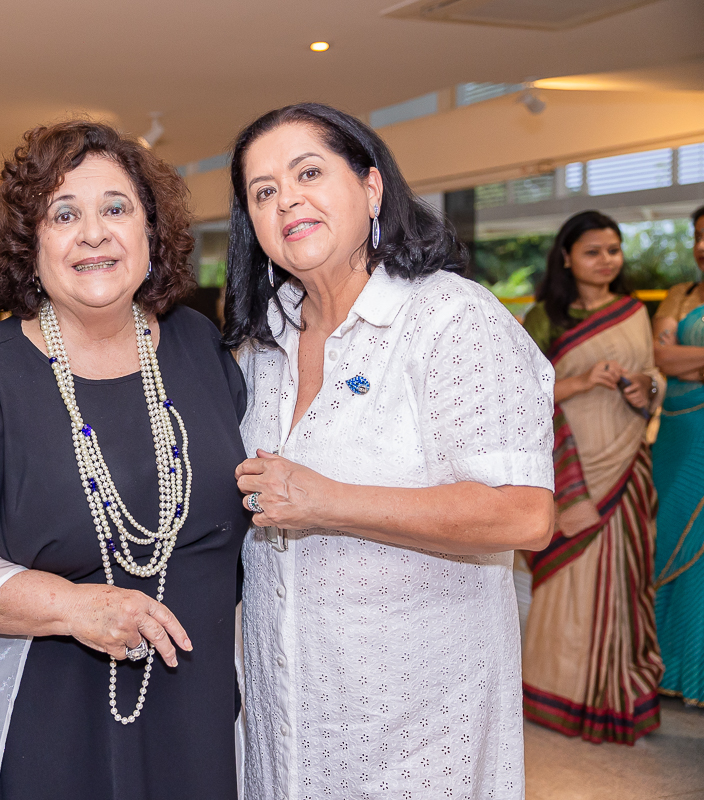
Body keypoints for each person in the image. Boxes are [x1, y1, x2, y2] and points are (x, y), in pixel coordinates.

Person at [0, 121, 249, 800]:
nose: (94, 233)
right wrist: (72, 606)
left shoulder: (201, 348)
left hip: (198, 717)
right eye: (64, 214)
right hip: (48, 723)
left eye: (116, 208)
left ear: (150, 229)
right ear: (30, 245)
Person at [223, 102, 555, 799]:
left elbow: (523, 515)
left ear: (372, 187)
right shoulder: (264, 343)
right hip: (286, 712)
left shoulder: (450, 319)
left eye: (308, 172)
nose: (287, 200)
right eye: (263, 191)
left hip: (416, 718)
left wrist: (330, 502)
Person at [520, 210, 664, 744]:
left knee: (622, 585)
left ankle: (615, 696)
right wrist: (580, 381)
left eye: (613, 250)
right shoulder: (543, 319)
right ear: (566, 257)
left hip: (624, 465)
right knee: (566, 582)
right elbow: (520, 394)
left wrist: (642, 391)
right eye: (593, 251)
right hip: (569, 466)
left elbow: (654, 381)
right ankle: (556, 692)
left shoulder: (633, 312)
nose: (606, 261)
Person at [651, 204, 704, 708]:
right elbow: (662, 357)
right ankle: (665, 666)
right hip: (676, 434)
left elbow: (675, 354)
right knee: (666, 536)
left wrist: (688, 361)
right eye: (699, 236)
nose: (703, 246)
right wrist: (678, 361)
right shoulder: (680, 295)